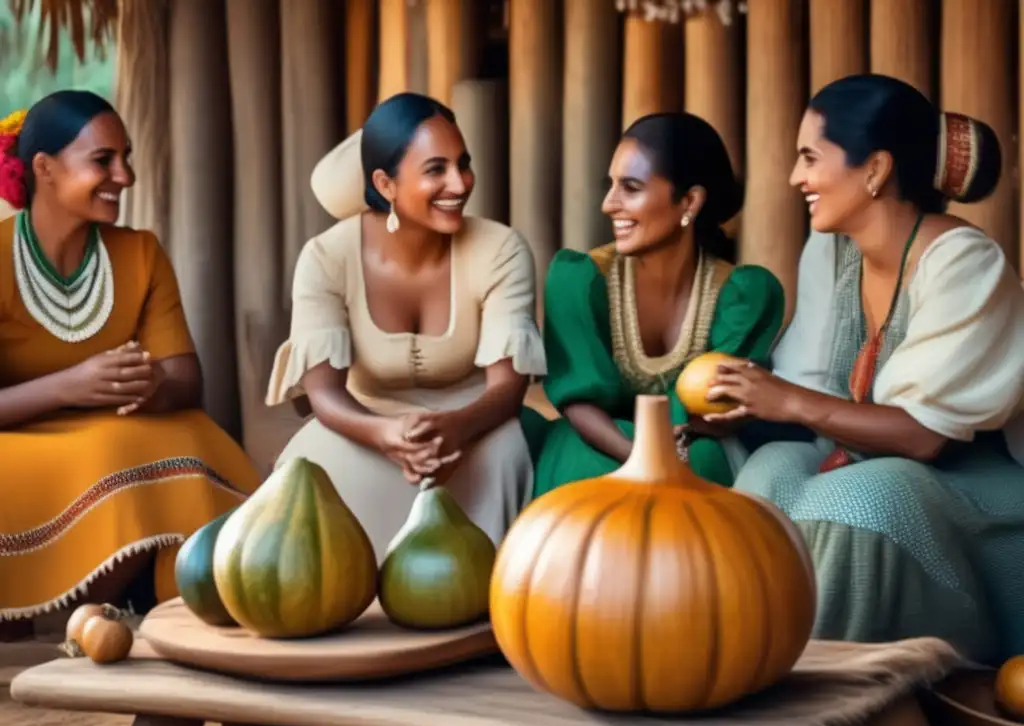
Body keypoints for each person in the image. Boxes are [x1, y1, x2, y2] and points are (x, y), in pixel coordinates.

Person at [706, 74, 1024, 664]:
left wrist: (791, 404)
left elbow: (925, 436)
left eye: (810, 157)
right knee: (774, 469)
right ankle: (737, 662)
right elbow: (809, 388)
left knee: (862, 496)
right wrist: (744, 405)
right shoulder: (830, 250)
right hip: (862, 462)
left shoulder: (963, 262)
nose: (796, 177)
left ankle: (828, 694)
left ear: (875, 170)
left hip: (978, 488)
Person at [0, 92, 261, 641]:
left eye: (127, 156)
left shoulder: (139, 253)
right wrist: (73, 385)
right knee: (112, 450)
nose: (126, 175)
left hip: (116, 433)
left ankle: (94, 619)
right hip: (17, 441)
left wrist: (150, 383)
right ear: (43, 168)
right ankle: (49, 619)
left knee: (192, 438)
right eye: (103, 160)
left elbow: (187, 381)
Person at [265, 93, 545, 560]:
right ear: (385, 183)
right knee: (307, 474)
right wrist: (384, 435)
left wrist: (456, 427)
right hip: (360, 424)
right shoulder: (326, 259)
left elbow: (507, 388)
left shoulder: (501, 250)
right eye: (436, 169)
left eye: (463, 164)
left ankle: (481, 615)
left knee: (505, 454)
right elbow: (325, 395)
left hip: (477, 425)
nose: (459, 183)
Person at [522, 113, 785, 495]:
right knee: (586, 475)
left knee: (704, 462)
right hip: (596, 442)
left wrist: (724, 417)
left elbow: (716, 410)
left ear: (690, 201)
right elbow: (577, 400)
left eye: (630, 187)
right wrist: (639, 458)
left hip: (687, 445)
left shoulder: (742, 295)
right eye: (610, 186)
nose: (609, 204)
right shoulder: (578, 280)